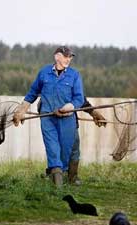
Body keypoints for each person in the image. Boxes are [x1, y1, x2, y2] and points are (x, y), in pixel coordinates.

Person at [13, 46, 84, 187]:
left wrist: (68, 108)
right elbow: (33, 93)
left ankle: (62, 174)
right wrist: (21, 110)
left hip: (67, 119)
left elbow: (79, 98)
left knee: (65, 149)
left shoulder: (74, 75)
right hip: (47, 117)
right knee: (52, 147)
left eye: (70, 57)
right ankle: (57, 183)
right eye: (66, 56)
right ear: (57, 57)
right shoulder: (44, 73)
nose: (68, 59)